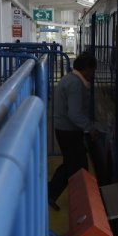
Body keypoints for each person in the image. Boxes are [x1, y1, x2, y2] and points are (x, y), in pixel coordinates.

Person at [48, 51, 106, 210]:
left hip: (64, 129)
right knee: (79, 168)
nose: (93, 75)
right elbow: (74, 113)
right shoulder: (75, 84)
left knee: (71, 165)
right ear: (87, 68)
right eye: (93, 70)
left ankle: (50, 193)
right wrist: (90, 128)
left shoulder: (70, 79)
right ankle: (83, 205)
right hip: (69, 131)